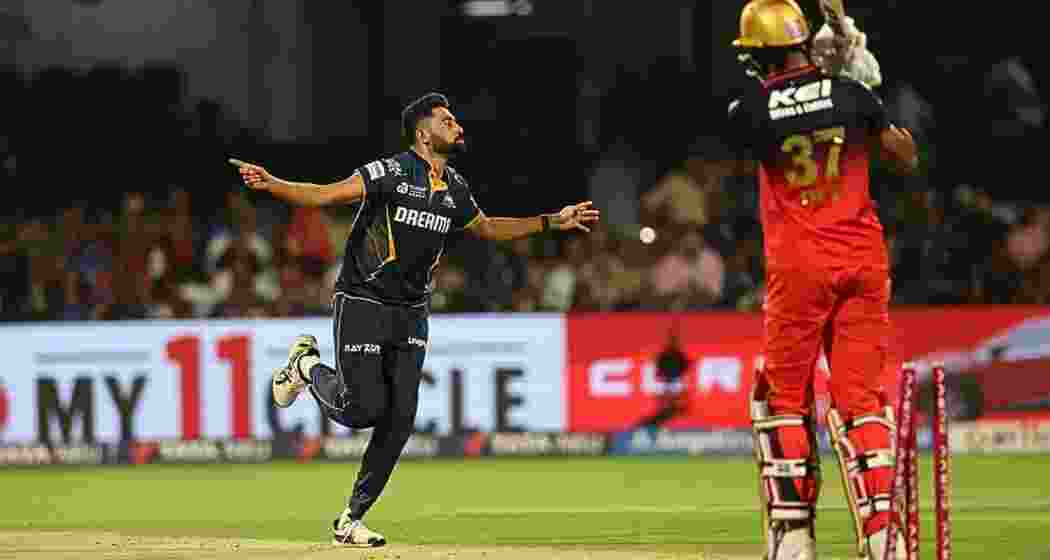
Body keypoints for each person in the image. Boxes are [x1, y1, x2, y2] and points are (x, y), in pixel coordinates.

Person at [229, 92, 599, 547]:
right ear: (424, 134)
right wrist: (272, 183)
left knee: (400, 420)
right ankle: (305, 365)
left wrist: (550, 221)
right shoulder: (391, 172)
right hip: (363, 299)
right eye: (447, 120)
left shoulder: (456, 188)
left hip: (411, 312)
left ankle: (351, 519)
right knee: (360, 410)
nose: (457, 125)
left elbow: (486, 227)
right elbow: (325, 195)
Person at [725, 1, 918, 559]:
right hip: (864, 260)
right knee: (862, 401)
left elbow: (752, 132)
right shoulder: (852, 94)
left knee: (782, 398)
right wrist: (845, 60)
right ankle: (886, 538)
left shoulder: (752, 108)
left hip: (799, 266)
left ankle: (793, 538)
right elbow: (902, 153)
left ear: (761, 56)